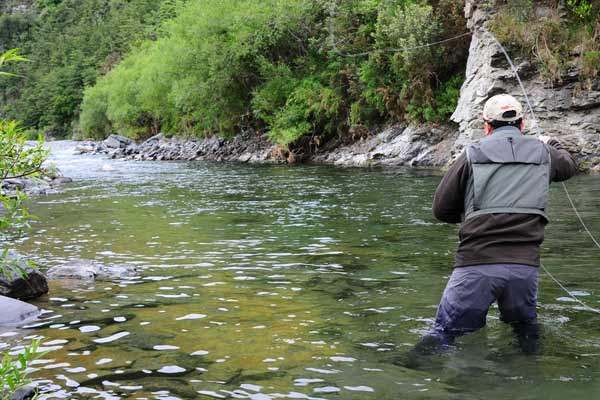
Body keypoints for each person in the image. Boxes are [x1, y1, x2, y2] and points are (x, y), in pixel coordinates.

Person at [422, 94, 577, 354]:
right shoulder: (544, 152)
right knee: (525, 336)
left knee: (445, 334)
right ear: (522, 124)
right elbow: (569, 166)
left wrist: (470, 215)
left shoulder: (472, 153)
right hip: (524, 270)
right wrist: (550, 141)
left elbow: (441, 209)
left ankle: (407, 372)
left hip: (476, 265)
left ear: (487, 126)